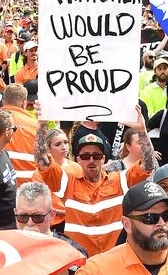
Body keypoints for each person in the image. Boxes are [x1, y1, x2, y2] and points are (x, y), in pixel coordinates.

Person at [36, 110, 155, 258]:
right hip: (79, 264)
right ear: (78, 160)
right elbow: (42, 162)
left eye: (96, 155)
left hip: (114, 262)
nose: (91, 160)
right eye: (86, 156)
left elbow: (148, 165)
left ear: (103, 159)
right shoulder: (67, 182)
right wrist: (41, 126)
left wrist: (142, 131)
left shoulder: (120, 180)